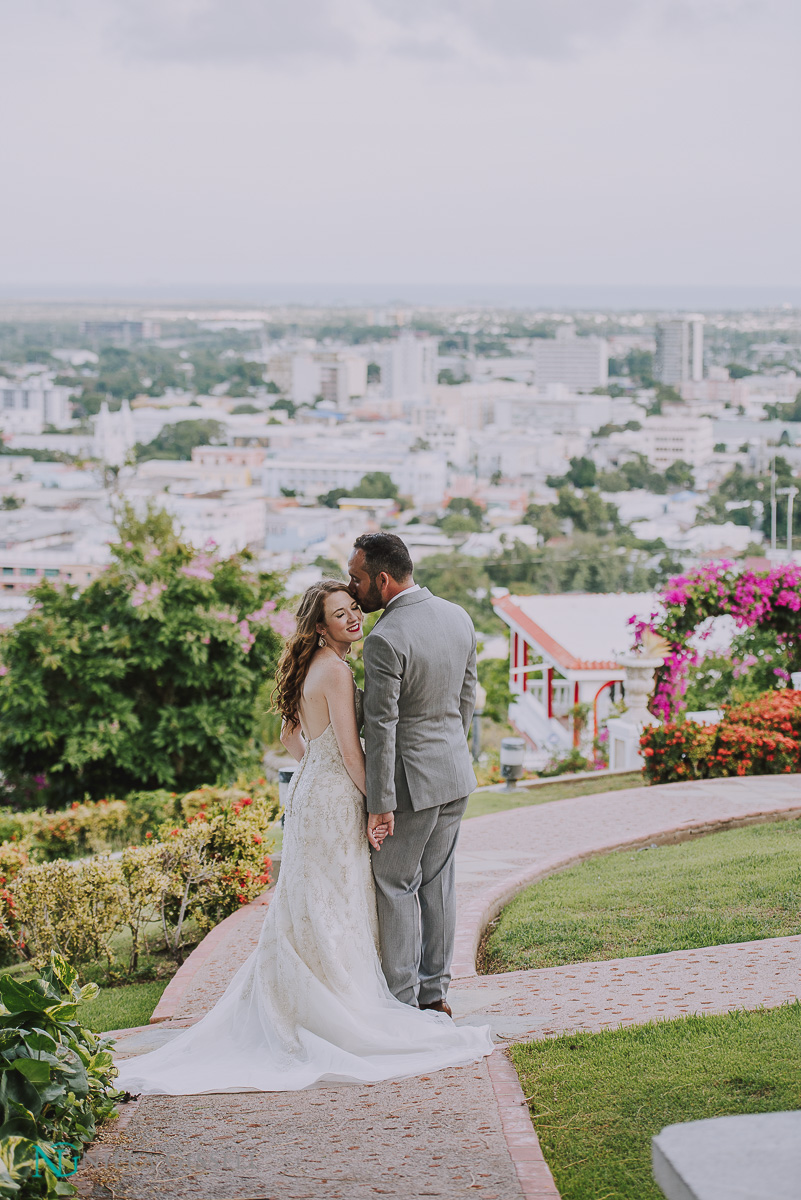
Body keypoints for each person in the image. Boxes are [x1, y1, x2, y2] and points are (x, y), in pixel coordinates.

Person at [115, 580, 492, 1095]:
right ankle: (344, 1005)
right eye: (341, 615)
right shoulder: (336, 671)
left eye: (355, 608)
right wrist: (377, 804)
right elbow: (353, 750)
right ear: (321, 628)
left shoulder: (315, 667)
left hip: (314, 792)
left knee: (316, 902)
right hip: (335, 801)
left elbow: (294, 737)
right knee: (337, 900)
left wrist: (319, 771)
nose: (355, 618)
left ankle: (319, 997)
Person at [347, 532, 477, 1016]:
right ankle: (434, 995)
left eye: (357, 579)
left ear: (382, 579)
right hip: (453, 773)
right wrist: (447, 751)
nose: (352, 588)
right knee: (438, 881)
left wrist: (379, 803)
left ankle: (400, 1004)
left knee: (394, 882)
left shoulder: (384, 639)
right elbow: (467, 699)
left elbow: (382, 729)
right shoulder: (457, 616)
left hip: (410, 783)